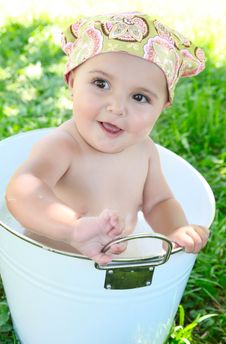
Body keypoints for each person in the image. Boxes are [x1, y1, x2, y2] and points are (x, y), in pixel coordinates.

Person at [5, 12, 209, 265]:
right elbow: (23, 191)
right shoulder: (63, 145)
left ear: (162, 108)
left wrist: (175, 230)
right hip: (50, 263)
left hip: (112, 262)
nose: (117, 108)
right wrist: (72, 228)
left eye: (139, 97)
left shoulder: (144, 151)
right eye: (101, 84)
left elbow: (159, 202)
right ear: (72, 81)